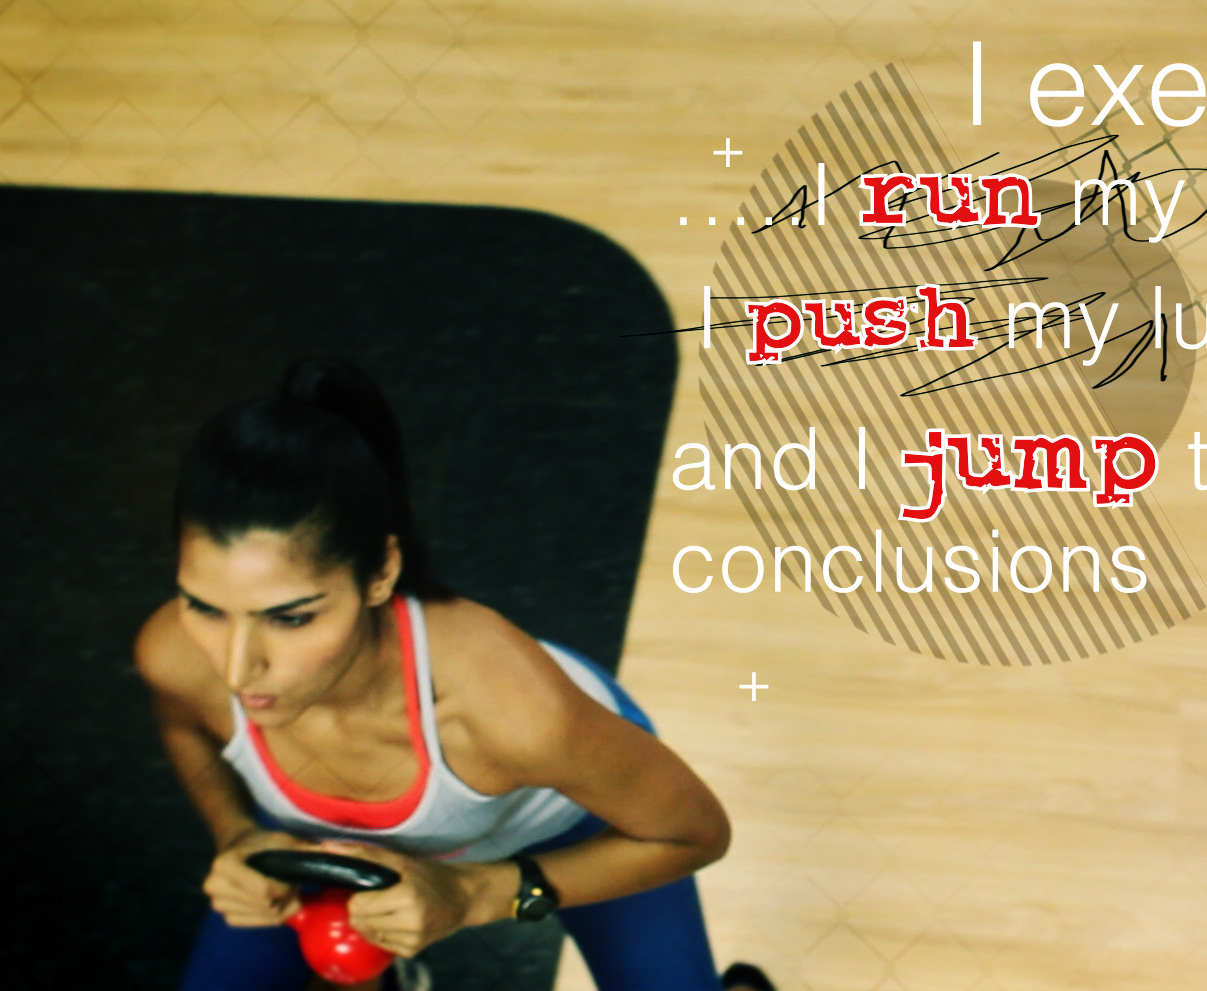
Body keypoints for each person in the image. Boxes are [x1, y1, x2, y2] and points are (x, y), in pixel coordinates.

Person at [135, 357, 773, 991]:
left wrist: (474, 894)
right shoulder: (176, 653)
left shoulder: (516, 712)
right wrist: (238, 833)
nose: (237, 669)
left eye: (291, 618)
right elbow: (184, 727)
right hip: (322, 846)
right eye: (205, 607)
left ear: (380, 573)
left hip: (573, 824)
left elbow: (694, 834)